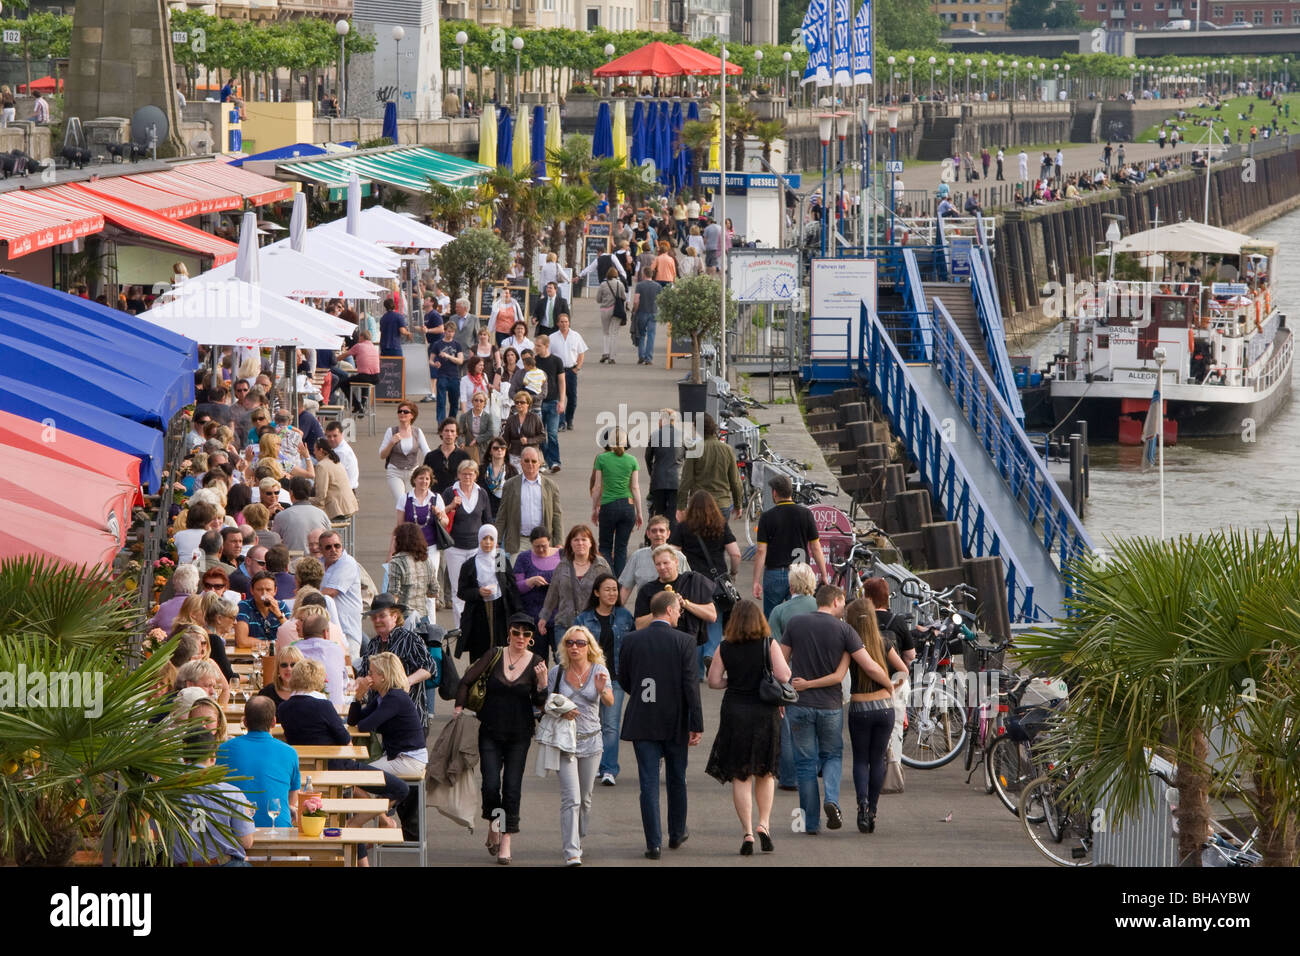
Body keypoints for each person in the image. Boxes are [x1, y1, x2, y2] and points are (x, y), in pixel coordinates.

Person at [782, 584, 893, 835]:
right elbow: (870, 666)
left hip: (799, 705)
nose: (844, 609)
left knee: (806, 764)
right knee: (832, 755)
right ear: (836, 601)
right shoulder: (845, 630)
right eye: (843, 604)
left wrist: (786, 691)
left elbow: (780, 663)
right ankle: (831, 799)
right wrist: (890, 685)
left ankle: (811, 824)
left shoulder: (795, 623)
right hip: (830, 706)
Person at [454, 612, 549, 863]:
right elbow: (466, 681)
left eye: (526, 634)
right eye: (516, 632)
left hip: (520, 734)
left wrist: (542, 684)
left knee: (512, 788)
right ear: (509, 633)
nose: (520, 637)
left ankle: (506, 839)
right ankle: (495, 822)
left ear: (530, 639)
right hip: (490, 732)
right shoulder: (494, 654)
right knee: (491, 784)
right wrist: (458, 708)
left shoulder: (537, 661)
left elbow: (540, 705)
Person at [619, 590, 703, 858]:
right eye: (678, 610)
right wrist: (696, 722)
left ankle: (653, 843)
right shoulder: (685, 642)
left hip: (642, 719)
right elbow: (691, 684)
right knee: (677, 778)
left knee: (648, 782)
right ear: (669, 610)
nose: (680, 614)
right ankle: (676, 832)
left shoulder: (632, 640)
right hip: (674, 720)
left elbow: (624, 678)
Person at [705, 599, 790, 854]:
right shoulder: (768, 643)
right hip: (765, 711)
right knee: (766, 772)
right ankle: (764, 823)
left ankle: (748, 832)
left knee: (741, 775)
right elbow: (784, 675)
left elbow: (713, 681)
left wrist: (734, 682)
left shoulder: (725, 647)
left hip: (735, 712)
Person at [545, 624, 613, 865]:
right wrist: (560, 711)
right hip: (565, 744)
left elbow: (610, 701)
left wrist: (600, 690)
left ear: (589, 647)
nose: (575, 647)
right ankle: (572, 851)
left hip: (592, 742)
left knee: (585, 799)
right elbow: (545, 704)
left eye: (580, 643)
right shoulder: (557, 673)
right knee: (570, 798)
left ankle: (578, 835)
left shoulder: (599, 670)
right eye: (570, 643)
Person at [842, 597, 906, 833]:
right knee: (878, 759)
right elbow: (903, 670)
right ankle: (873, 811)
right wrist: (891, 688)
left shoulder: (849, 645)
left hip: (859, 708)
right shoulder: (886, 642)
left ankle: (862, 806)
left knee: (860, 760)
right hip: (884, 708)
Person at [669, 490, 741, 678]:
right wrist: (733, 573)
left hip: (691, 581)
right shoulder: (721, 525)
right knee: (714, 620)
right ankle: (710, 654)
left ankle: (697, 670)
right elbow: (735, 553)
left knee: (693, 622)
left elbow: (673, 554)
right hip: (716, 582)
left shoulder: (683, 527)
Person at [576, 573, 635, 787]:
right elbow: (572, 645)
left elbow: (632, 648)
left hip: (616, 679)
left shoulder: (625, 616)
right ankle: (590, 764)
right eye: (607, 589)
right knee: (590, 723)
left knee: (610, 725)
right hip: (589, 678)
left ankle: (609, 769)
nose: (612, 593)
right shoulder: (583, 619)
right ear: (596, 592)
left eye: (615, 589)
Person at [172, 732, 256, 866]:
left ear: (184, 757)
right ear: (213, 758)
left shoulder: (164, 792)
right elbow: (246, 842)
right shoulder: (231, 793)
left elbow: (157, 836)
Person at [216, 696, 300, 826]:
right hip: (277, 826)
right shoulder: (290, 752)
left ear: (245, 722)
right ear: (274, 722)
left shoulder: (224, 749)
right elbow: (293, 795)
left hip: (236, 827)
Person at [752, 473, 827, 617]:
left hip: (775, 574)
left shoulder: (767, 517)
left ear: (774, 492)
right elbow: (815, 547)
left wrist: (756, 580)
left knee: (772, 618)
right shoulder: (806, 514)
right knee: (799, 618)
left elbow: (761, 551)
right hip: (800, 573)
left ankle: (774, 640)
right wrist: (823, 575)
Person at [539, 525, 612, 663]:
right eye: (576, 540)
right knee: (564, 664)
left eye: (584, 539)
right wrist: (544, 617)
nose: (580, 543)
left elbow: (610, 592)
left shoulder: (601, 566)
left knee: (592, 663)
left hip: (592, 625)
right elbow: (553, 592)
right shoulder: (563, 565)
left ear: (591, 543)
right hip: (564, 624)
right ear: (570, 543)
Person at [350, 651, 429, 779]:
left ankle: (386, 799)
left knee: (357, 776)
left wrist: (360, 694)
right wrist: (358, 697)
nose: (367, 677)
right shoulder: (383, 696)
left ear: (383, 676)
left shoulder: (395, 698)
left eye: (371, 673)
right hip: (396, 756)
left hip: (409, 760)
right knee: (355, 773)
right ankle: (386, 798)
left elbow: (364, 726)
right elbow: (353, 721)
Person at [357, 594, 434, 724]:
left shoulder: (410, 639)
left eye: (382, 616)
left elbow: (429, 667)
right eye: (374, 617)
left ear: (395, 616)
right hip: (380, 717)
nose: (377, 620)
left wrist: (406, 681)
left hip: (409, 717)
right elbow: (364, 673)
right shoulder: (373, 644)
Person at [441, 459, 494, 626]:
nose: (467, 477)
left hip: (477, 549)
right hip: (455, 548)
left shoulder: (482, 493)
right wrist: (451, 506)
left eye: (471, 474)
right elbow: (440, 516)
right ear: (458, 475)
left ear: (476, 476)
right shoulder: (450, 492)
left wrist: (493, 543)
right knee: (458, 590)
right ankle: (460, 627)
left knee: (478, 586)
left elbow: (488, 520)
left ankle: (476, 625)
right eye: (464, 474)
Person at [457, 524, 521, 661]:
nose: (487, 542)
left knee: (501, 650)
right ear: (479, 539)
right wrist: (478, 592)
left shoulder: (499, 559)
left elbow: (510, 585)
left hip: (499, 610)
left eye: (491, 539)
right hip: (478, 613)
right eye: (484, 538)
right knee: (480, 652)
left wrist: (518, 612)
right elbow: (462, 592)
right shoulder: (471, 564)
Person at [590, 427, 643, 578]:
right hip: (627, 506)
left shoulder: (602, 459)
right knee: (621, 548)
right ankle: (619, 584)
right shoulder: (632, 460)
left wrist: (594, 509)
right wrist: (639, 512)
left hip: (609, 506)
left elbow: (597, 487)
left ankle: (609, 580)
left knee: (605, 547)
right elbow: (635, 487)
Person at [677, 413, 744, 521]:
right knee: (720, 536)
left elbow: (686, 480)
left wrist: (681, 506)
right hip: (722, 504)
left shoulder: (694, 449)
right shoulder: (727, 449)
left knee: (699, 536)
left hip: (699, 504)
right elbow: (735, 481)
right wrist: (738, 505)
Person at [496, 446, 563, 554]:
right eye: (526, 461)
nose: (530, 464)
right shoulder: (510, 485)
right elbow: (502, 515)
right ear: (521, 462)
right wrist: (497, 540)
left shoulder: (551, 486)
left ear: (540, 463)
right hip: (518, 542)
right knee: (515, 570)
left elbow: (557, 515)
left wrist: (559, 542)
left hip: (543, 542)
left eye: (534, 461)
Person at [618, 515, 690, 606]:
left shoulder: (679, 557)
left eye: (662, 530)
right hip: (645, 609)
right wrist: (617, 612)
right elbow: (626, 588)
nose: (658, 534)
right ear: (648, 534)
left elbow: (689, 586)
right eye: (654, 531)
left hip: (674, 610)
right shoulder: (637, 556)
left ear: (668, 534)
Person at [379, 402, 431, 510]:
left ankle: (409, 526)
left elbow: (427, 452)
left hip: (413, 472)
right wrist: (391, 443)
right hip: (395, 471)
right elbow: (382, 455)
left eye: (405, 411)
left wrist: (435, 460)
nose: (402, 413)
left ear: (412, 415)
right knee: (402, 501)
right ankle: (403, 526)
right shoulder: (391, 431)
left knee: (412, 503)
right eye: (400, 411)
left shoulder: (417, 432)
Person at [319, 531, 363, 657]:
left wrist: (306, 597)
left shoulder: (347, 562)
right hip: (329, 630)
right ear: (321, 549)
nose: (333, 550)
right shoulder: (319, 563)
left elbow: (331, 592)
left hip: (347, 631)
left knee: (350, 669)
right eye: (328, 547)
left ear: (342, 546)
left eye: (337, 546)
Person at [387, 522, 438, 633]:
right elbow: (434, 591)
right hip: (423, 618)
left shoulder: (397, 562)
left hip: (403, 619)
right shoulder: (426, 561)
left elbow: (393, 595)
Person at [270, 478, 333, 555]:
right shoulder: (321, 514)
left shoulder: (281, 516)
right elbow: (329, 537)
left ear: (291, 493)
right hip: (316, 562)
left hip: (293, 563)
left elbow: (273, 541)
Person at [532, 335, 566, 471]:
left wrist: (562, 401)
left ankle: (555, 461)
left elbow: (562, 382)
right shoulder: (534, 361)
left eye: (538, 346)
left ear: (546, 346)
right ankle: (546, 461)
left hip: (553, 402)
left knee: (552, 434)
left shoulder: (556, 361)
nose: (536, 348)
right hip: (538, 404)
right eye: (536, 345)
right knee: (540, 436)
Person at [513, 526, 561, 623]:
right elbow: (515, 587)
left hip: (557, 613)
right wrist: (530, 581)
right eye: (537, 546)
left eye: (544, 546)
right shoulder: (522, 558)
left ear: (549, 541)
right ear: (531, 544)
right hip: (531, 612)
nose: (541, 549)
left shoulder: (562, 555)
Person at [644, 409, 682, 527]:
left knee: (659, 514)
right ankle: (673, 541)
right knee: (673, 515)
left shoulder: (655, 435)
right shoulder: (682, 436)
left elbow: (648, 457)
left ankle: (659, 541)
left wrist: (653, 472)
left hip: (658, 480)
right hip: (676, 481)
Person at [550, 313, 587, 432]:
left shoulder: (576, 336)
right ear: (557, 323)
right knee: (558, 398)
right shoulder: (552, 337)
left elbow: (581, 353)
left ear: (569, 322)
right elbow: (548, 354)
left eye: (566, 321)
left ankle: (569, 419)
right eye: (561, 322)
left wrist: (577, 368)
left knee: (572, 398)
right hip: (557, 372)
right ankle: (561, 422)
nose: (564, 324)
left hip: (571, 370)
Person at [235, 571, 289, 648]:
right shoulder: (244, 606)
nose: (264, 594)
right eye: (259, 589)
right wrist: (271, 644)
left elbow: (292, 636)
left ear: (275, 591)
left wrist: (278, 614)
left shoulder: (281, 606)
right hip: (252, 656)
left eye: (268, 590)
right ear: (252, 590)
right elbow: (242, 641)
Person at [427, 319, 465, 420]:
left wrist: (448, 356)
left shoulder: (457, 345)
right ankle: (441, 424)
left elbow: (460, 361)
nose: (450, 333)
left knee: (454, 403)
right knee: (441, 402)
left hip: (454, 376)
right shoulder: (437, 344)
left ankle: (451, 422)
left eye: (452, 331)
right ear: (444, 331)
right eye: (448, 331)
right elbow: (430, 360)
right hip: (442, 375)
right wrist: (435, 364)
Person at [310, 439, 358, 520]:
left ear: (321, 450)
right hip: (348, 505)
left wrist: (306, 500)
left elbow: (321, 496)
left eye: (314, 450)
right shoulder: (335, 461)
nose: (314, 453)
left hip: (338, 510)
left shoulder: (322, 466)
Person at [423, 417, 470, 490]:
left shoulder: (464, 456)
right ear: (441, 432)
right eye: (446, 431)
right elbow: (424, 479)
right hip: (437, 497)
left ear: (457, 434)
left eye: (452, 431)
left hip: (457, 496)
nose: (449, 434)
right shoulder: (431, 456)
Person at [594, 267, 628, 365]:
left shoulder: (603, 285)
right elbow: (623, 297)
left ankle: (605, 353)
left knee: (606, 332)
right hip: (616, 310)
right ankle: (612, 357)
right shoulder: (620, 284)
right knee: (614, 333)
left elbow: (598, 299)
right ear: (616, 275)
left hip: (605, 310)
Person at [341, 331, 381, 413]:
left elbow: (344, 355)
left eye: (359, 337)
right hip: (376, 377)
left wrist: (334, 359)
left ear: (362, 337)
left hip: (365, 377)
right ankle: (363, 402)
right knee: (363, 377)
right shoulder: (373, 347)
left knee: (343, 383)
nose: (358, 339)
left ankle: (357, 405)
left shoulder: (359, 346)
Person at [479, 437, 517, 519]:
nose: (499, 450)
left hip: (505, 514)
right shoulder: (481, 470)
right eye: (495, 448)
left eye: (503, 448)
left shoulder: (512, 471)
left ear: (506, 451)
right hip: (485, 513)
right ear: (490, 451)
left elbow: (515, 494)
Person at [631, 268, 662, 366]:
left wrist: (634, 310)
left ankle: (641, 356)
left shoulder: (640, 285)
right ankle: (649, 358)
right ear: (652, 275)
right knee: (651, 335)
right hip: (653, 312)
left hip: (642, 312)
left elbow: (636, 300)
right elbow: (661, 300)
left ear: (644, 274)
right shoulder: (658, 286)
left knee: (641, 334)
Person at [458, 389, 498, 462]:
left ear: (485, 404)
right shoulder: (464, 416)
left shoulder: (489, 417)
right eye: (476, 400)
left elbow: (491, 432)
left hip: (484, 449)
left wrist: (477, 439)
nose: (478, 403)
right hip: (469, 449)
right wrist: (461, 442)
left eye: (481, 401)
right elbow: (460, 433)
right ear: (472, 402)